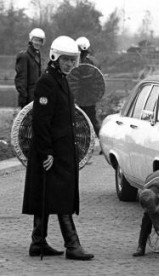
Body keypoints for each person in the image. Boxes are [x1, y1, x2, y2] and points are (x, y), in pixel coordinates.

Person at [22, 35, 94, 261]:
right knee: (61, 196)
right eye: (66, 60)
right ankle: (72, 245)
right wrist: (47, 152)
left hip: (62, 151)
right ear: (55, 57)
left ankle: (38, 242)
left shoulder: (61, 79)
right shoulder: (47, 82)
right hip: (52, 152)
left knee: (48, 194)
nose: (70, 64)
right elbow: (41, 121)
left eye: (73, 60)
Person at [75, 36, 101, 138]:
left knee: (89, 120)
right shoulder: (91, 61)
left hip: (86, 97)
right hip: (84, 97)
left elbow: (92, 81)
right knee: (90, 120)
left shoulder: (88, 63)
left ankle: (97, 140)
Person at [15, 28, 45, 109]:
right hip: (27, 98)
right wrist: (24, 99)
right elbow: (21, 79)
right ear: (31, 40)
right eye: (36, 40)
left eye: (40, 41)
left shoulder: (37, 55)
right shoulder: (24, 56)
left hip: (36, 96)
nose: (38, 43)